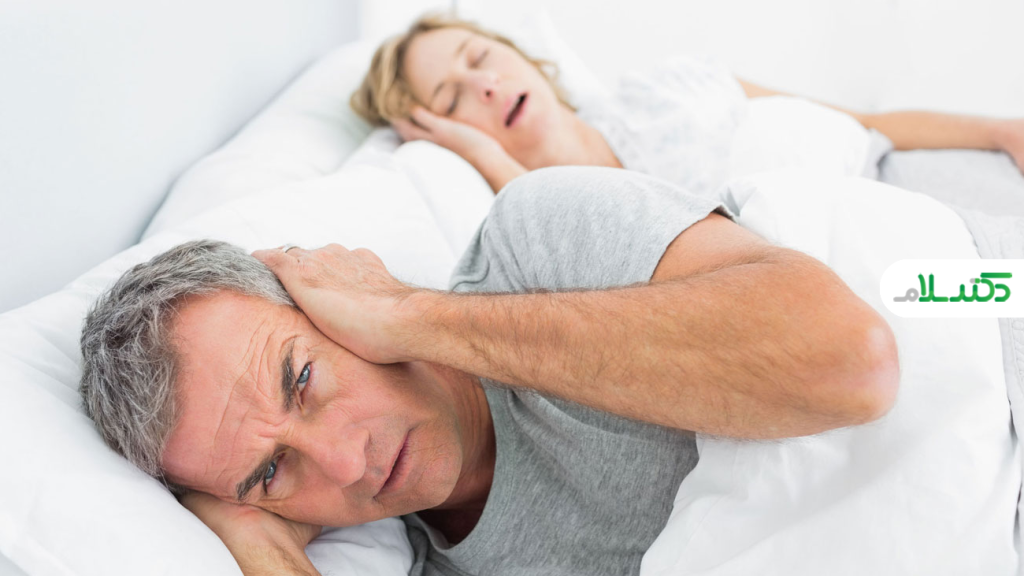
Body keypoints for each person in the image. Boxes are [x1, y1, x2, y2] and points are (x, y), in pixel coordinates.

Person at [79, 167, 900, 575]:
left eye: (302, 381)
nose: (344, 462)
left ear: (329, 304)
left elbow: (850, 363)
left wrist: (412, 314)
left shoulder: (539, 240)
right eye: (270, 470)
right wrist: (258, 545)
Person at [350, 13, 1024, 195]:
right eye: (452, 98)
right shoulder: (542, 218)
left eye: (479, 58)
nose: (486, 86)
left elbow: (863, 123)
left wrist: (999, 131)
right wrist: (483, 157)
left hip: (922, 177)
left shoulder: (671, 83)